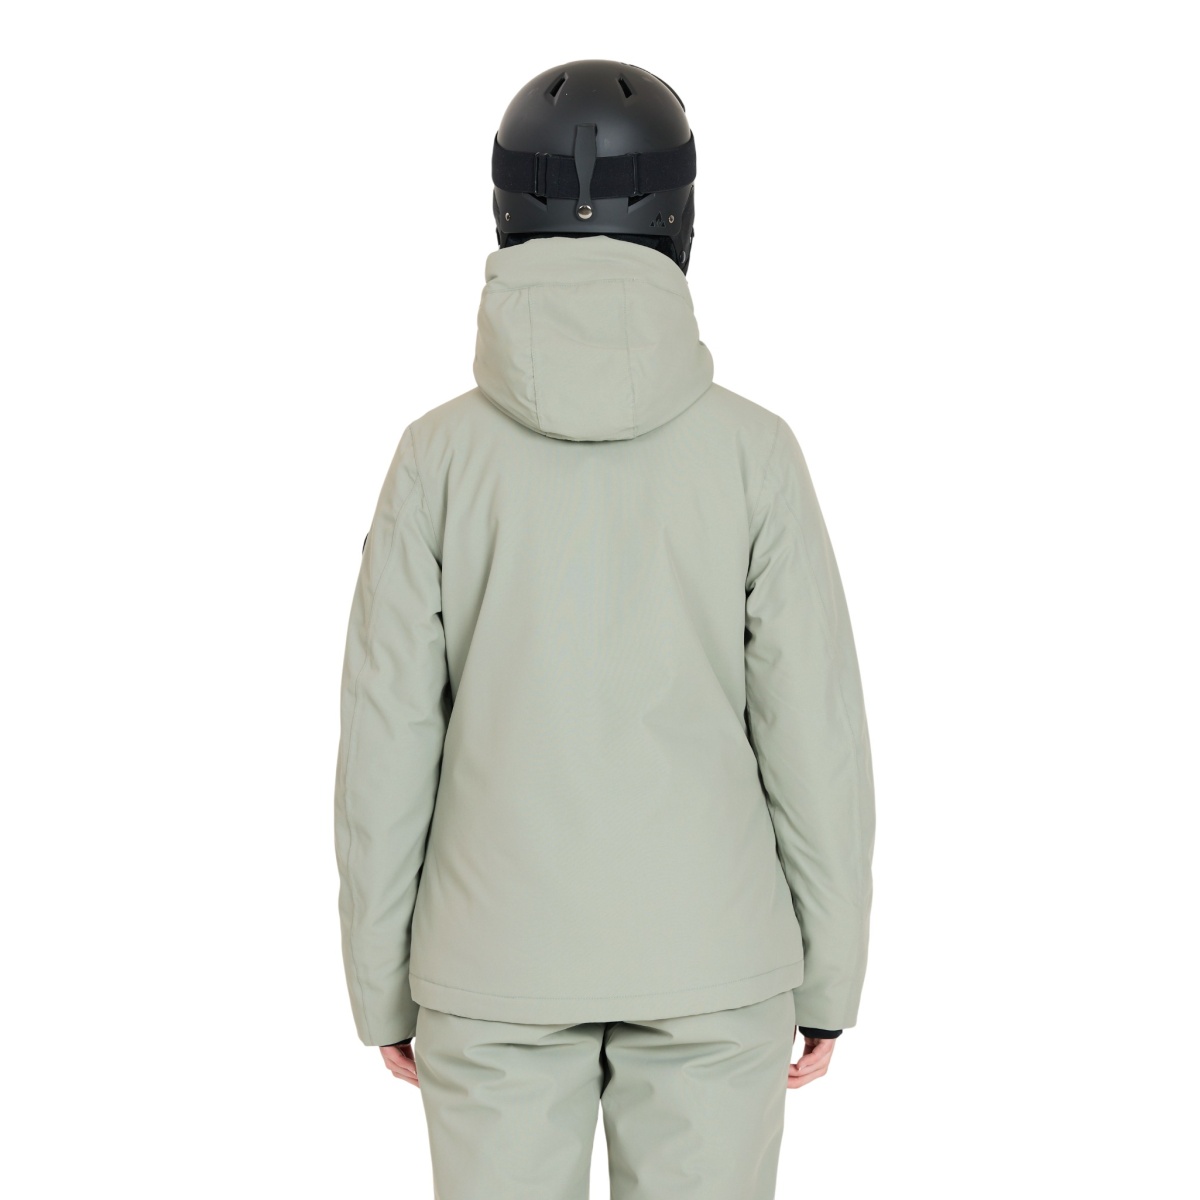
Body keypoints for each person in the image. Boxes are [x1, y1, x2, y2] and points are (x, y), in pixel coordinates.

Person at [333, 58, 876, 1200]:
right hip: (714, 964)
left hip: (491, 968)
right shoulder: (753, 454)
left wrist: (381, 983)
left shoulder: (437, 459)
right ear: (682, 215)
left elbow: (386, 742)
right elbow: (813, 737)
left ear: (504, 209)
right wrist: (830, 975)